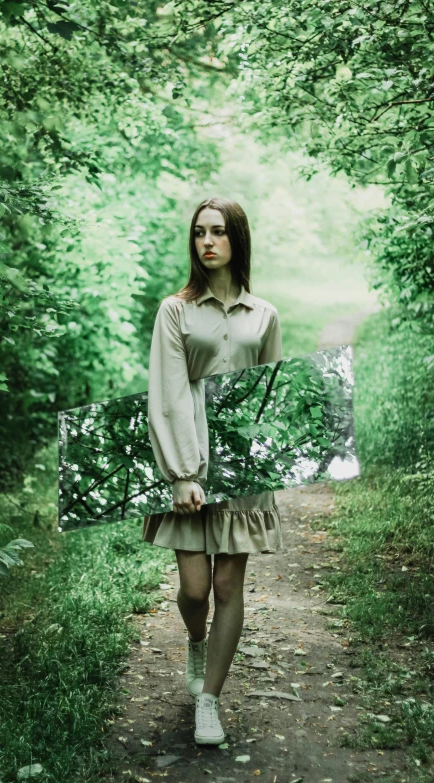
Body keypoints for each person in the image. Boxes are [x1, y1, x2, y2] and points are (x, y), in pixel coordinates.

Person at [141, 196, 284, 745]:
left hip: (244, 470)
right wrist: (181, 472)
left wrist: (277, 458)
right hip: (190, 463)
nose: (207, 241)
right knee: (195, 588)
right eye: (199, 232)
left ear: (236, 239)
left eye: (219, 232)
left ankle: (209, 701)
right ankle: (195, 644)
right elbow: (168, 391)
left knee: (228, 583)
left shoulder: (265, 314)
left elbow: (272, 391)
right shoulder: (175, 311)